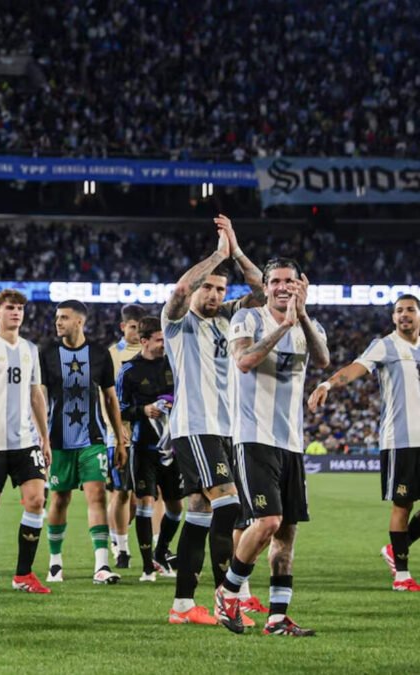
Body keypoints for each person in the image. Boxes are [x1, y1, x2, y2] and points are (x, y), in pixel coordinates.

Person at [162, 214, 266, 626]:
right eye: (208, 287)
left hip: (227, 430)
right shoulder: (177, 323)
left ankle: (183, 606)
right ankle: (229, 595)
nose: (213, 294)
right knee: (230, 505)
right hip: (196, 426)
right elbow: (180, 290)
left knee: (200, 513)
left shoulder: (229, 318)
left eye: (220, 288)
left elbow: (262, 290)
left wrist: (236, 252)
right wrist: (216, 256)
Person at [215, 260, 327, 637]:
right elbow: (244, 361)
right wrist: (283, 326)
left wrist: (302, 316)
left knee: (286, 534)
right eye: (275, 281)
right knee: (268, 522)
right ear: (264, 286)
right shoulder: (247, 318)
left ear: (300, 285)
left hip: (291, 442)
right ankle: (228, 591)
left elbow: (323, 359)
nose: (282, 287)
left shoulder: (309, 326)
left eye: (289, 281)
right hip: (253, 437)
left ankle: (278, 618)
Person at [309, 293, 420, 593]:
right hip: (400, 440)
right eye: (399, 311)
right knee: (403, 504)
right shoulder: (385, 345)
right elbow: (354, 369)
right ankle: (402, 575)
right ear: (393, 317)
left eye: (410, 309)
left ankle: (396, 547)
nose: (404, 314)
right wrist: (327, 383)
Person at [0, 290, 51, 594]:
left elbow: (36, 395)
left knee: (36, 501)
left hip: (26, 441)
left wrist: (45, 437)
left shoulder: (30, 349)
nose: (16, 312)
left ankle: (23, 574)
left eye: (20, 308)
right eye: (10, 308)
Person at [40, 299, 127, 584]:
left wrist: (120, 439)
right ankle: (55, 563)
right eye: (57, 317)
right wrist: (40, 437)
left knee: (97, 495)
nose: (58, 322)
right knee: (59, 498)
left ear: (80, 321)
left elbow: (110, 398)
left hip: (93, 438)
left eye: (64, 317)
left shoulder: (99, 354)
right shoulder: (47, 353)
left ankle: (101, 565)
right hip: (58, 441)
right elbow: (39, 398)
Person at [116, 317, 184, 582]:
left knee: (176, 506)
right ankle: (147, 567)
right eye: (159, 340)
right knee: (145, 502)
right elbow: (120, 408)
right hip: (144, 446)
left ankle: (160, 551)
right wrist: (143, 410)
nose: (164, 344)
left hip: (173, 447)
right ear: (144, 341)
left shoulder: (174, 364)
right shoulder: (129, 370)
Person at [106, 303, 147, 569]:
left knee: (141, 497)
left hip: (146, 435)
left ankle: (122, 535)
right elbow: (105, 396)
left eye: (140, 328)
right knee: (121, 493)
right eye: (132, 327)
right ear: (123, 327)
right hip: (119, 435)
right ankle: (120, 547)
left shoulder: (151, 352)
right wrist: (115, 427)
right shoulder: (112, 355)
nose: (136, 332)